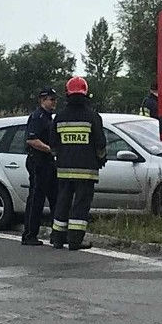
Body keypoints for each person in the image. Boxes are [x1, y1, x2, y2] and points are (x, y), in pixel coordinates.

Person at [50, 76, 107, 250]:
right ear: (85, 93)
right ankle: (75, 240)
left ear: (67, 94)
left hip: (64, 170)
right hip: (86, 170)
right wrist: (101, 158)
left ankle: (58, 238)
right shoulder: (92, 116)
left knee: (62, 202)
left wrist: (61, 156)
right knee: (81, 204)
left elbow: (53, 146)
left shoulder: (59, 117)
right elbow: (100, 144)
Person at [22, 86, 59, 246]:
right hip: (38, 162)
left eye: (55, 99)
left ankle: (57, 234)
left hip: (49, 163)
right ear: (43, 100)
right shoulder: (38, 117)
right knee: (36, 199)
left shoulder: (48, 117)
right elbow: (31, 139)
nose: (54, 103)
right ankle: (29, 235)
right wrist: (50, 149)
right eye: (51, 99)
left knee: (55, 198)